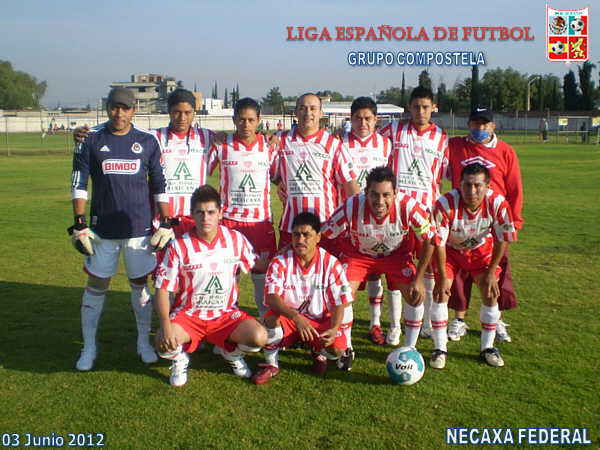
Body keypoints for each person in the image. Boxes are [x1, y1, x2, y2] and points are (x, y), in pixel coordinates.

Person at [70, 86, 171, 371]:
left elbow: (159, 182)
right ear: (107, 107)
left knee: (140, 285)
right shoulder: (89, 139)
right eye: (115, 107)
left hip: (139, 229)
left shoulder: (147, 140)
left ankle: (143, 343)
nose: (119, 113)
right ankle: (89, 348)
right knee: (96, 285)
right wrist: (79, 222)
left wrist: (166, 221)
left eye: (125, 107)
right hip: (102, 231)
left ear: (134, 109)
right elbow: (79, 181)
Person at [154, 185, 269, 386]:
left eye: (211, 212)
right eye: (200, 213)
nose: (205, 218)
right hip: (189, 315)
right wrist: (165, 326)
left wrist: (289, 259)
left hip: (225, 315)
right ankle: (180, 359)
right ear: (192, 214)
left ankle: (231, 353)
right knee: (162, 342)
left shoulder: (235, 240)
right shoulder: (179, 245)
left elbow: (257, 263)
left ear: (220, 213)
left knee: (259, 337)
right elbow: (162, 289)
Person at [322, 167, 435, 352]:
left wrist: (419, 278)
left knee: (415, 296)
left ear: (395, 193)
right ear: (366, 192)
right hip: (358, 255)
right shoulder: (351, 206)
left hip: (396, 256)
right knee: (341, 295)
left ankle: (410, 349)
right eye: (374, 194)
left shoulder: (408, 206)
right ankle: (347, 349)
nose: (380, 202)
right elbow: (324, 233)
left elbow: (430, 238)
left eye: (386, 195)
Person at [446, 106, 523, 343]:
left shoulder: (505, 151)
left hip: (495, 221)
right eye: (475, 123)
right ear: (468, 125)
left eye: (485, 124)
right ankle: (459, 319)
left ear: (493, 126)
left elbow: (514, 188)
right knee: (460, 272)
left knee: (496, 271)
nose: (480, 128)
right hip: (462, 218)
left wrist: (514, 220)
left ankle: (495, 318)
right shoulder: (455, 146)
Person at [380, 86, 449, 345]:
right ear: (409, 107)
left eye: (425, 107)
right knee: (395, 270)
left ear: (433, 108)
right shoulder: (394, 130)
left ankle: (428, 323)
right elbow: (366, 140)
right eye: (416, 106)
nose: (421, 111)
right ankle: (395, 325)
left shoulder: (442, 138)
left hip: (427, 214)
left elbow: (446, 173)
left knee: (428, 268)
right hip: (397, 214)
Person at [431, 163, 517, 368]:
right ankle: (440, 349)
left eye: (478, 185)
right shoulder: (444, 203)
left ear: (487, 186)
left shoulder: (498, 203)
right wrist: (442, 277)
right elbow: (439, 243)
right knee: (442, 293)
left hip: (480, 251)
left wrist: (491, 272)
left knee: (490, 292)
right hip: (450, 251)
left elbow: (502, 239)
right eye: (467, 185)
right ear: (459, 185)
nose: (472, 191)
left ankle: (487, 348)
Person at [251, 213, 354, 384]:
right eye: (296, 234)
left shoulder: (331, 263)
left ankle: (318, 352)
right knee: (271, 318)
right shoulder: (280, 262)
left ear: (318, 237)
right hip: (291, 320)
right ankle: (271, 364)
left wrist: (334, 329)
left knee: (337, 350)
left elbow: (339, 303)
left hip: (319, 322)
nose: (300, 240)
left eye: (306, 234)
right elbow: (271, 297)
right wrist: (296, 318)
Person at [207, 98, 278, 320]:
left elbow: (280, 177)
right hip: (230, 222)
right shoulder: (222, 145)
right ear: (234, 119)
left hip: (260, 223)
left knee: (262, 276)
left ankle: (267, 325)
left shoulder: (270, 147)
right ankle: (227, 323)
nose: (246, 124)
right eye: (241, 119)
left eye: (250, 120)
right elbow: (203, 172)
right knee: (229, 276)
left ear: (259, 120)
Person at [275, 93, 360, 249]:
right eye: (303, 108)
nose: (308, 113)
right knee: (288, 265)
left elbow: (349, 183)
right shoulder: (280, 140)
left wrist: (363, 213)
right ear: (296, 112)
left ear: (321, 113)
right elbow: (261, 168)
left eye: (313, 108)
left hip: (325, 226)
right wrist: (278, 181)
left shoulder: (333, 144)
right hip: (291, 225)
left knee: (325, 265)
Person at [341, 97, 393, 346]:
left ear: (375, 120)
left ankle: (375, 323)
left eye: (367, 118)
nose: (363, 123)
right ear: (350, 119)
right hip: (347, 218)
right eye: (358, 118)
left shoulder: (385, 144)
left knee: (375, 272)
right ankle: (341, 324)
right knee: (345, 274)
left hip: (378, 218)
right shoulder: (339, 143)